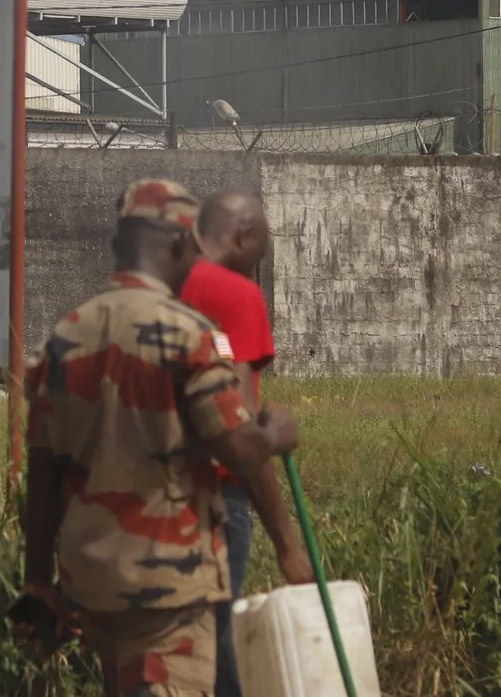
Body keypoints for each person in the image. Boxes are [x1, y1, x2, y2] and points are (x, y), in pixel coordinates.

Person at [20, 180, 307, 697]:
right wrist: (275, 434)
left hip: (92, 583)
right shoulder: (187, 333)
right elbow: (236, 448)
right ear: (177, 245)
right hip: (169, 587)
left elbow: (42, 477)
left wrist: (38, 583)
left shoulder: (64, 337)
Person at [179, 191, 315, 697]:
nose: (261, 261)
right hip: (214, 502)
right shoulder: (235, 295)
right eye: (262, 247)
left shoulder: (151, 291)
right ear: (243, 237)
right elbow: (237, 429)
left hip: (143, 505)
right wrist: (286, 542)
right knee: (216, 657)